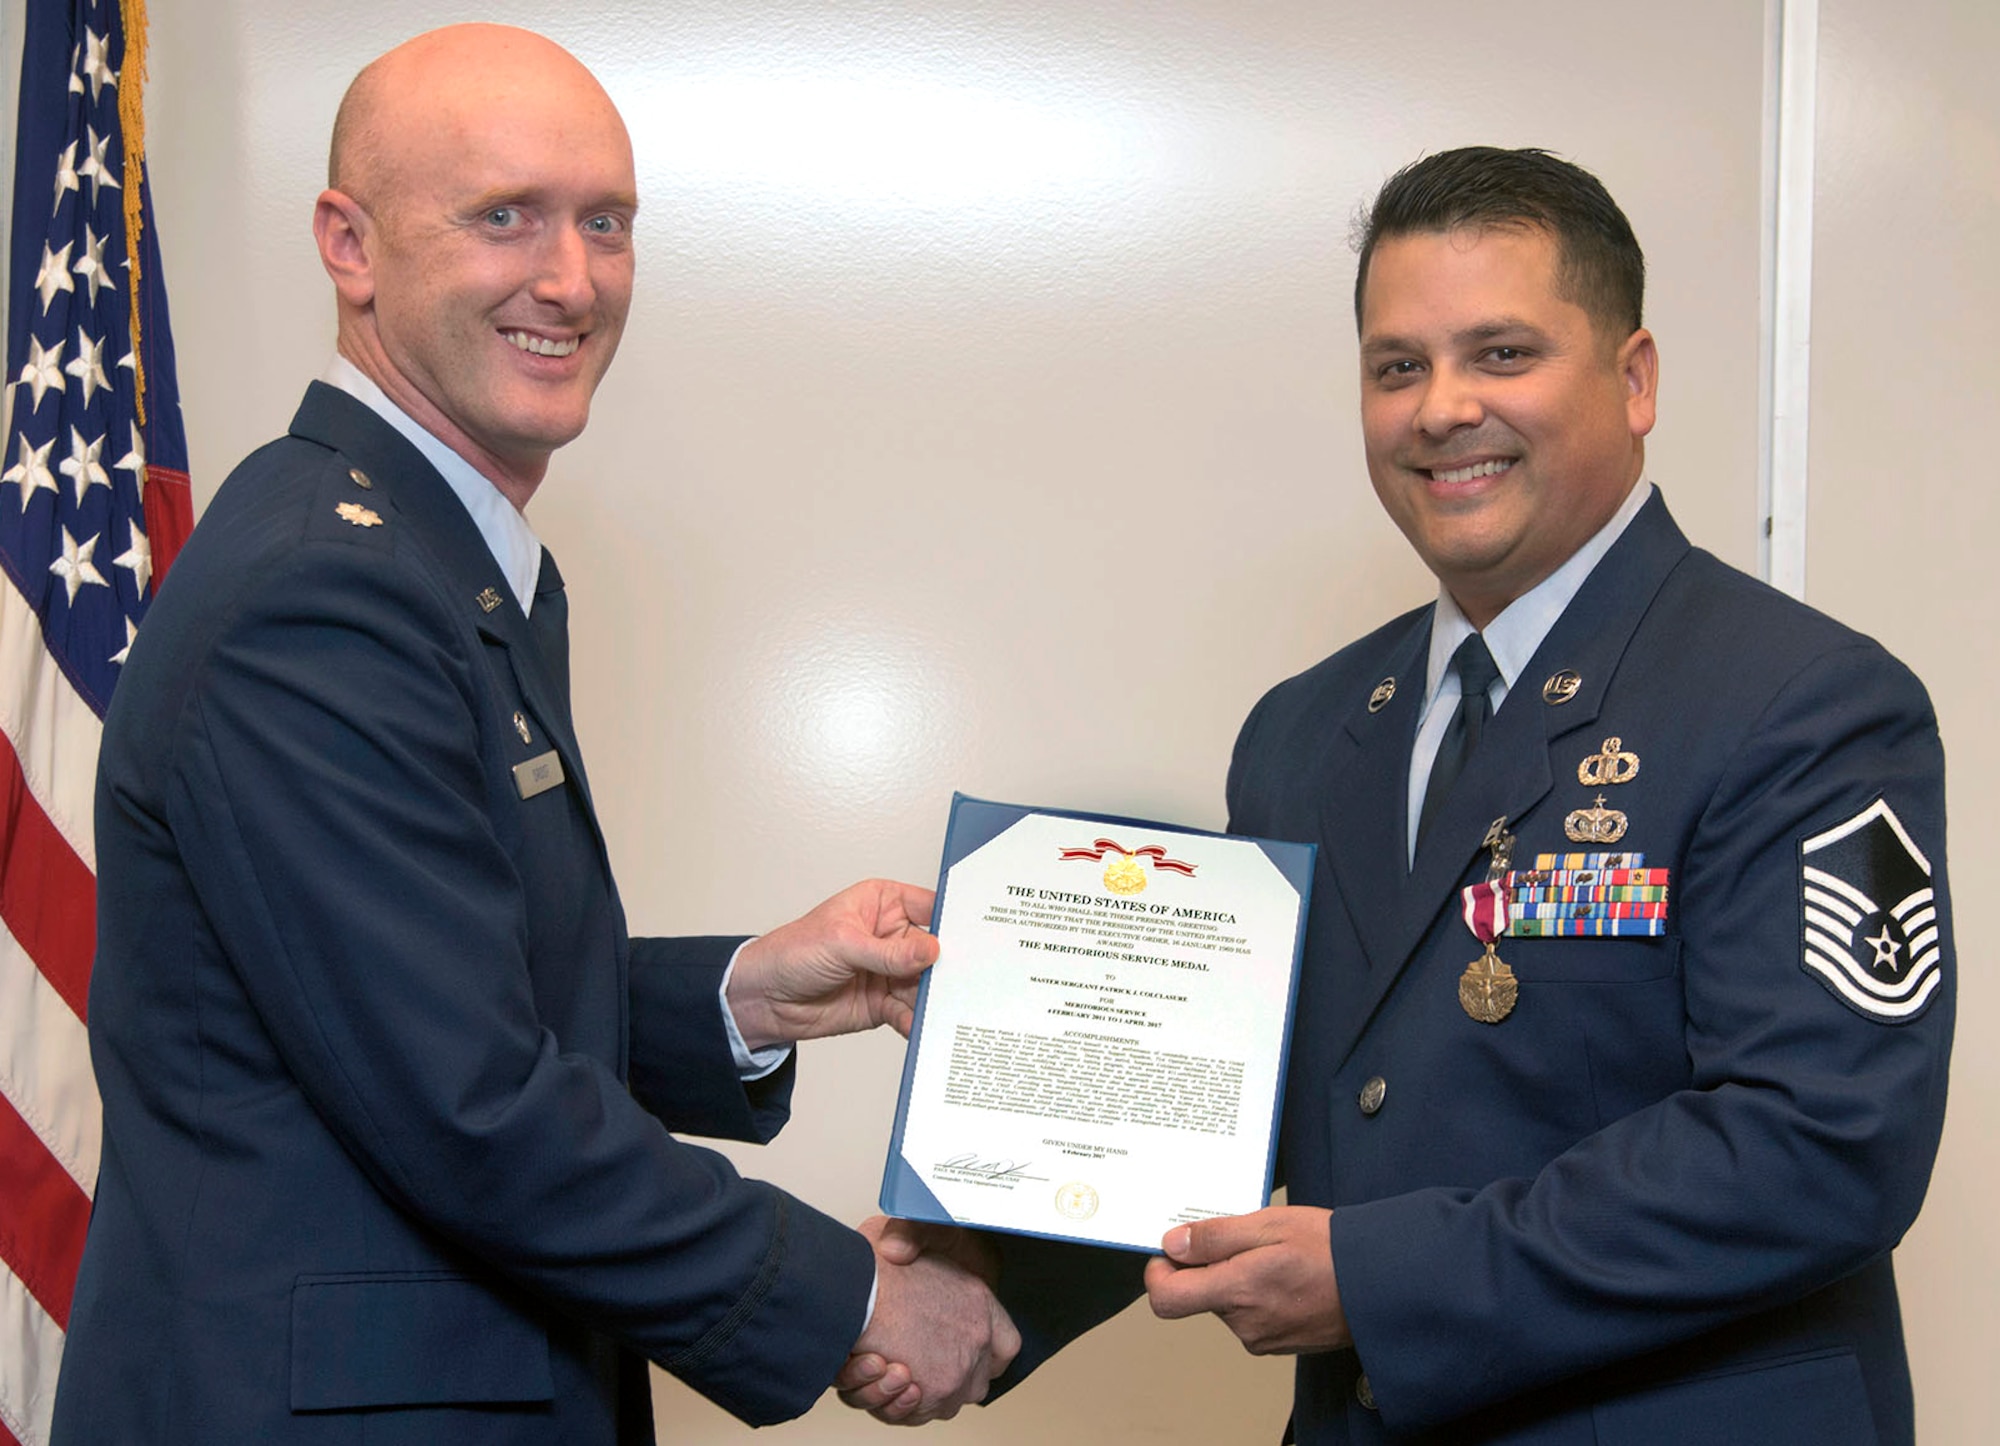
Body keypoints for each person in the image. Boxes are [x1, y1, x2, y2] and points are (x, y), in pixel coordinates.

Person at [844, 147, 1953, 1444]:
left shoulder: (1801, 700)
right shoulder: (1306, 733)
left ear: (1635, 379)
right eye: (1396, 367)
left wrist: (1378, 1277)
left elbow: (1823, 1145)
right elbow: (1232, 1109)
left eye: (1501, 354)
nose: (1440, 409)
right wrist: (993, 1285)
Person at [50, 25, 1014, 1445]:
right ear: (350, 243)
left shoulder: (438, 557)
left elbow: (429, 989)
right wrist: (857, 1298)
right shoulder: (322, 588)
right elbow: (467, 1101)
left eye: (605, 222)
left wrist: (749, 993)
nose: (569, 279)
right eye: (503, 216)